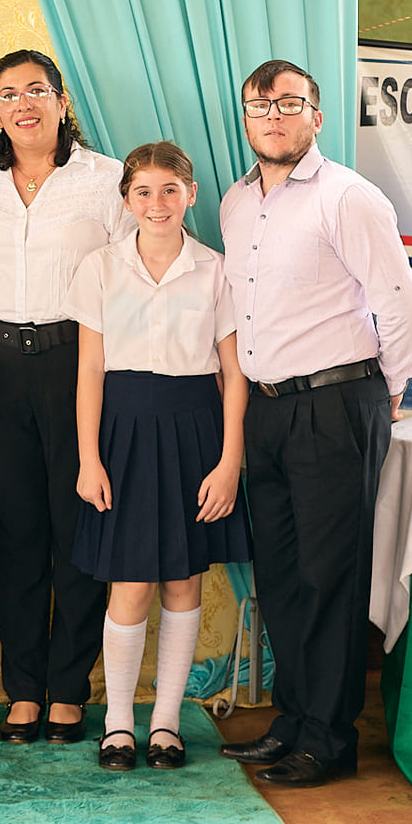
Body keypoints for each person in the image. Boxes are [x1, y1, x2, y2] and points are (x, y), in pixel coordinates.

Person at [219, 59, 412, 788]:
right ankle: (294, 718)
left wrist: (387, 393)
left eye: (288, 103)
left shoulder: (349, 197)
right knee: (279, 574)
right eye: (259, 104)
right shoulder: (235, 201)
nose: (272, 115)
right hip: (268, 407)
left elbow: (402, 305)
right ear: (245, 117)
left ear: (316, 115)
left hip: (339, 403)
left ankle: (330, 737)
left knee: (330, 575)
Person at [0, 48, 126, 744]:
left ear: (61, 100)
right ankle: (24, 688)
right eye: (7, 94)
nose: (22, 104)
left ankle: (69, 687)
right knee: (15, 532)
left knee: (78, 530)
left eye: (36, 90)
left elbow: (133, 278)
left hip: (77, 366)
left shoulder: (106, 179)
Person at [67, 141, 251, 773]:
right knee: (131, 583)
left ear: (190, 194)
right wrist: (89, 458)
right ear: (126, 200)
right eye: (142, 191)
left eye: (169, 190)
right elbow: (89, 369)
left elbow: (232, 372)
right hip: (122, 429)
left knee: (182, 578)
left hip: (194, 430)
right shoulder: (99, 267)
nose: (156, 203)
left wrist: (229, 461)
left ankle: (166, 724)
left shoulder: (216, 269)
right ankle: (119, 723)